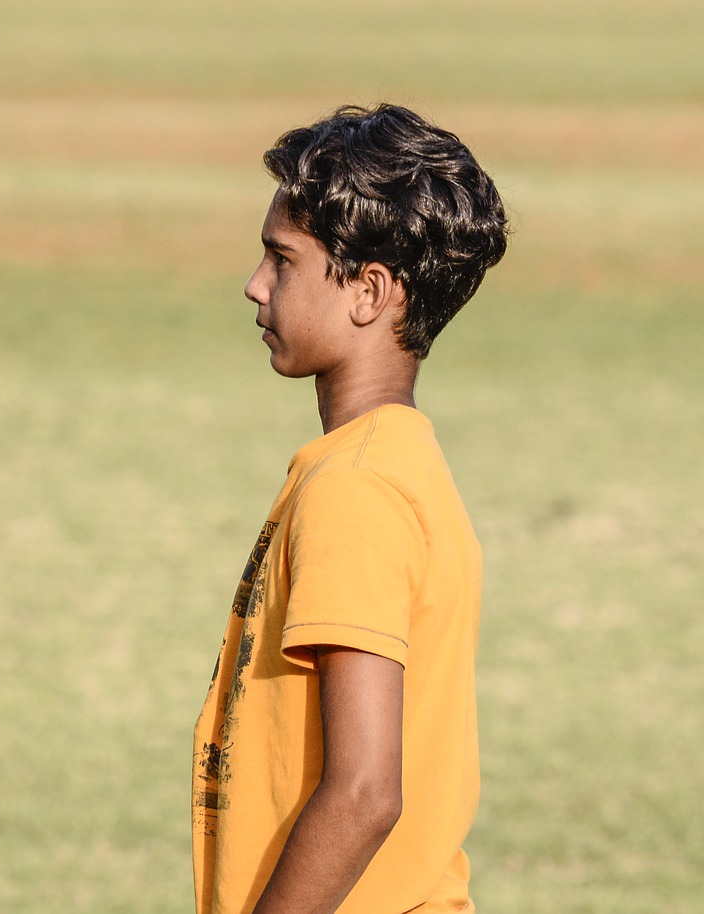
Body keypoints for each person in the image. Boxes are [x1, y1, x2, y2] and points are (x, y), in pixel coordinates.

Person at [192, 104, 508, 914]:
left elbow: (367, 792)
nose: (255, 284)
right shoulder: (394, 462)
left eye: (282, 260)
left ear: (369, 291)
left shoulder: (356, 489)